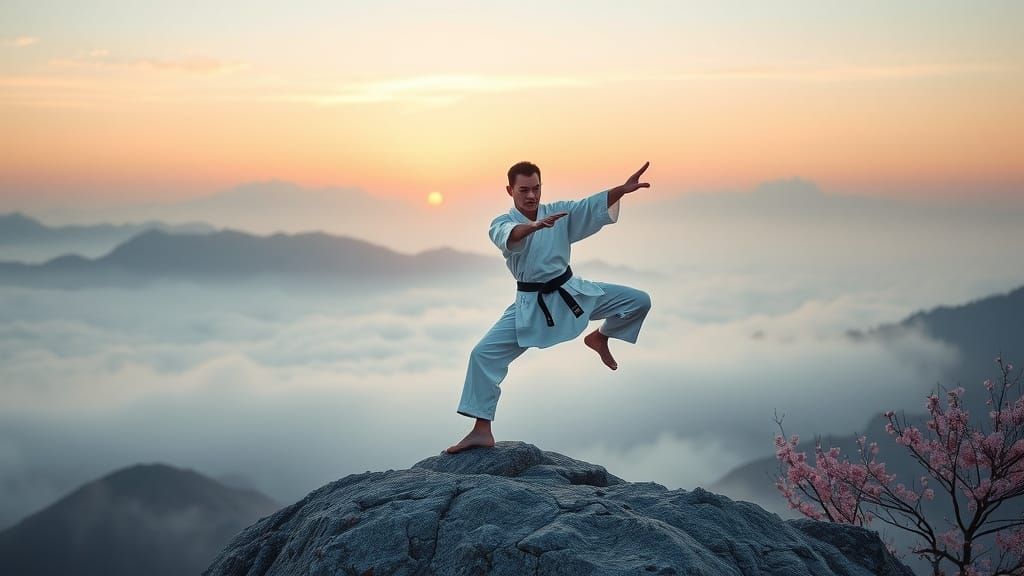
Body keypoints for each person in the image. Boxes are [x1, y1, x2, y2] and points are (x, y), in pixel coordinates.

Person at [446, 160, 653, 454]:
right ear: (510, 190)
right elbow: (511, 236)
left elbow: (589, 206)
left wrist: (622, 190)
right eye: (524, 190)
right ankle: (481, 430)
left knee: (639, 301)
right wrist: (531, 227)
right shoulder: (501, 223)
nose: (531, 195)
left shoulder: (558, 213)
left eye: (536, 188)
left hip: (572, 294)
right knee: (482, 355)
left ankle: (601, 337)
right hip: (530, 306)